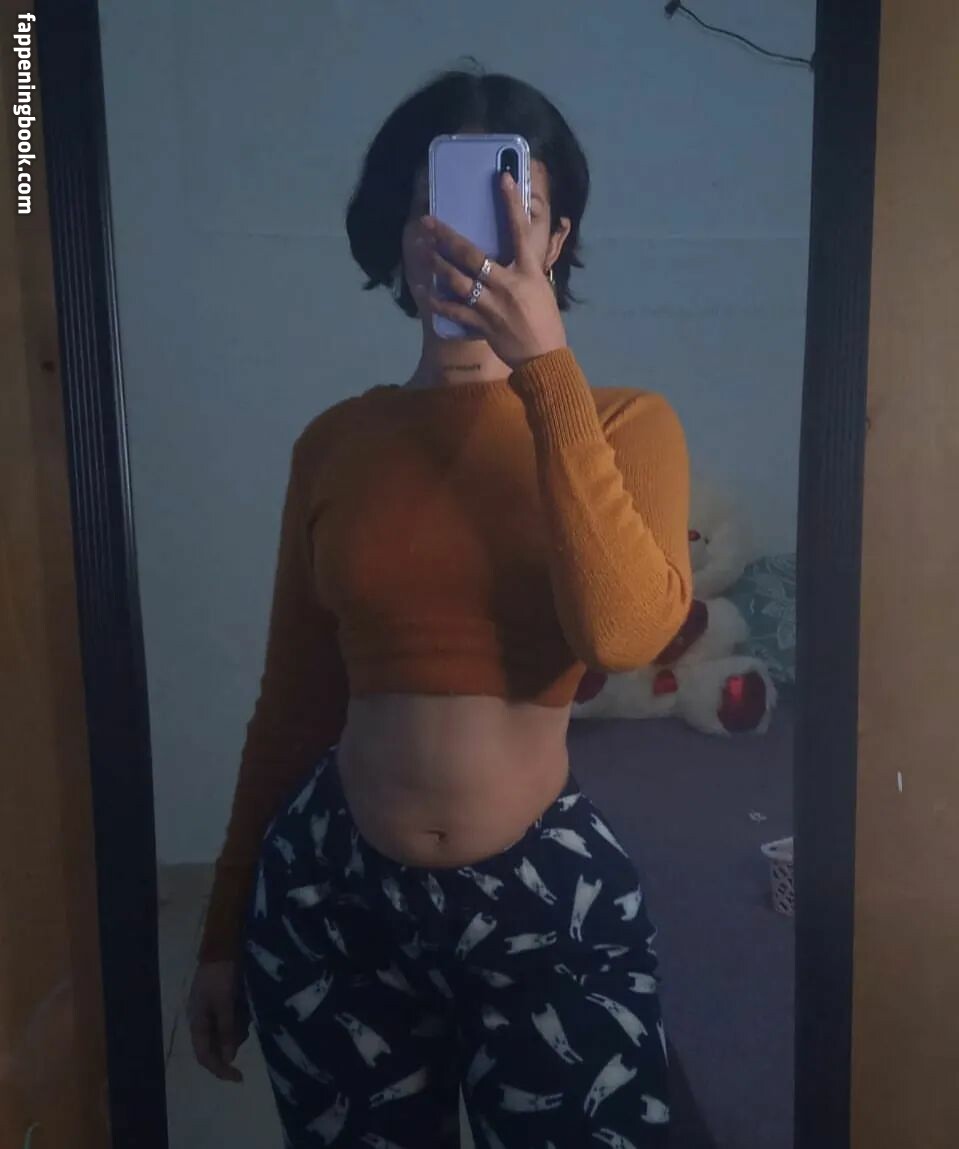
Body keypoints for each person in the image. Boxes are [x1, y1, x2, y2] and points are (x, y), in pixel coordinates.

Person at [188, 67, 692, 1149]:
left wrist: (543, 367)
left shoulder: (624, 423)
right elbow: (293, 698)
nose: (464, 238)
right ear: (399, 231)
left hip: (546, 901)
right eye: (436, 206)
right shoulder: (336, 442)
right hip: (329, 899)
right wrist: (221, 928)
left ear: (555, 239)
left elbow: (621, 635)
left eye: (516, 210)